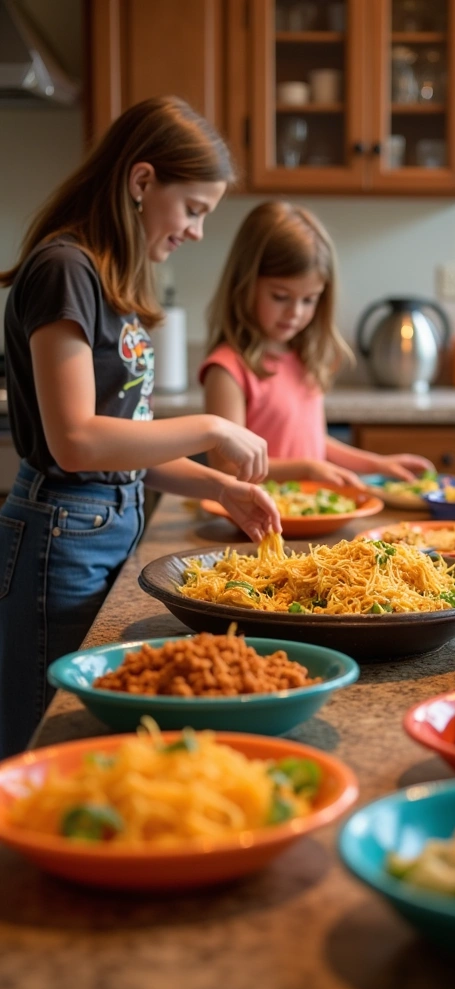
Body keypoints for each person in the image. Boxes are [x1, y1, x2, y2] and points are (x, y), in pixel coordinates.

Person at [0, 96, 281, 759]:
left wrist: (219, 486)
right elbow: (78, 441)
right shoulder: (65, 268)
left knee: (88, 739)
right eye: (194, 209)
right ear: (142, 181)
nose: (197, 231)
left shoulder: (105, 278)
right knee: (45, 740)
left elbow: (125, 440)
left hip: (102, 524)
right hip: (62, 537)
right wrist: (211, 425)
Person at [200, 201, 434, 485]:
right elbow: (226, 467)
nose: (295, 313)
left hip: (306, 518)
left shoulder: (301, 358)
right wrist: (306, 469)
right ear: (244, 284)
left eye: (309, 299)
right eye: (280, 297)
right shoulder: (227, 371)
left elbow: (311, 442)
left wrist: (376, 464)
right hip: (259, 523)